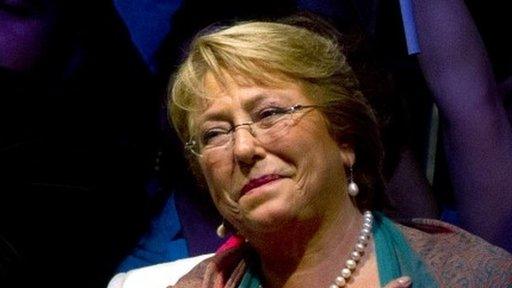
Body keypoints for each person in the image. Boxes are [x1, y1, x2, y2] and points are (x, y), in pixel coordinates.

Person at [108, 14, 512, 288]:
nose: (244, 148)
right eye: (215, 134)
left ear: (344, 138)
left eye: (269, 113)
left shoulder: (469, 274)